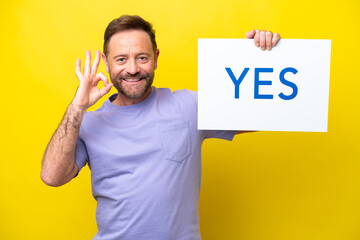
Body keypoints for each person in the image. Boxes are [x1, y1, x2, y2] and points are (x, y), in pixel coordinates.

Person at [41, 15, 281, 240]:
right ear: (106, 62)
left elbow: (259, 116)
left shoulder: (189, 106)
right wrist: (77, 107)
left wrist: (261, 57)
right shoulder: (88, 123)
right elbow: (52, 177)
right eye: (121, 59)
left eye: (142, 57)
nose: (133, 68)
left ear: (156, 58)